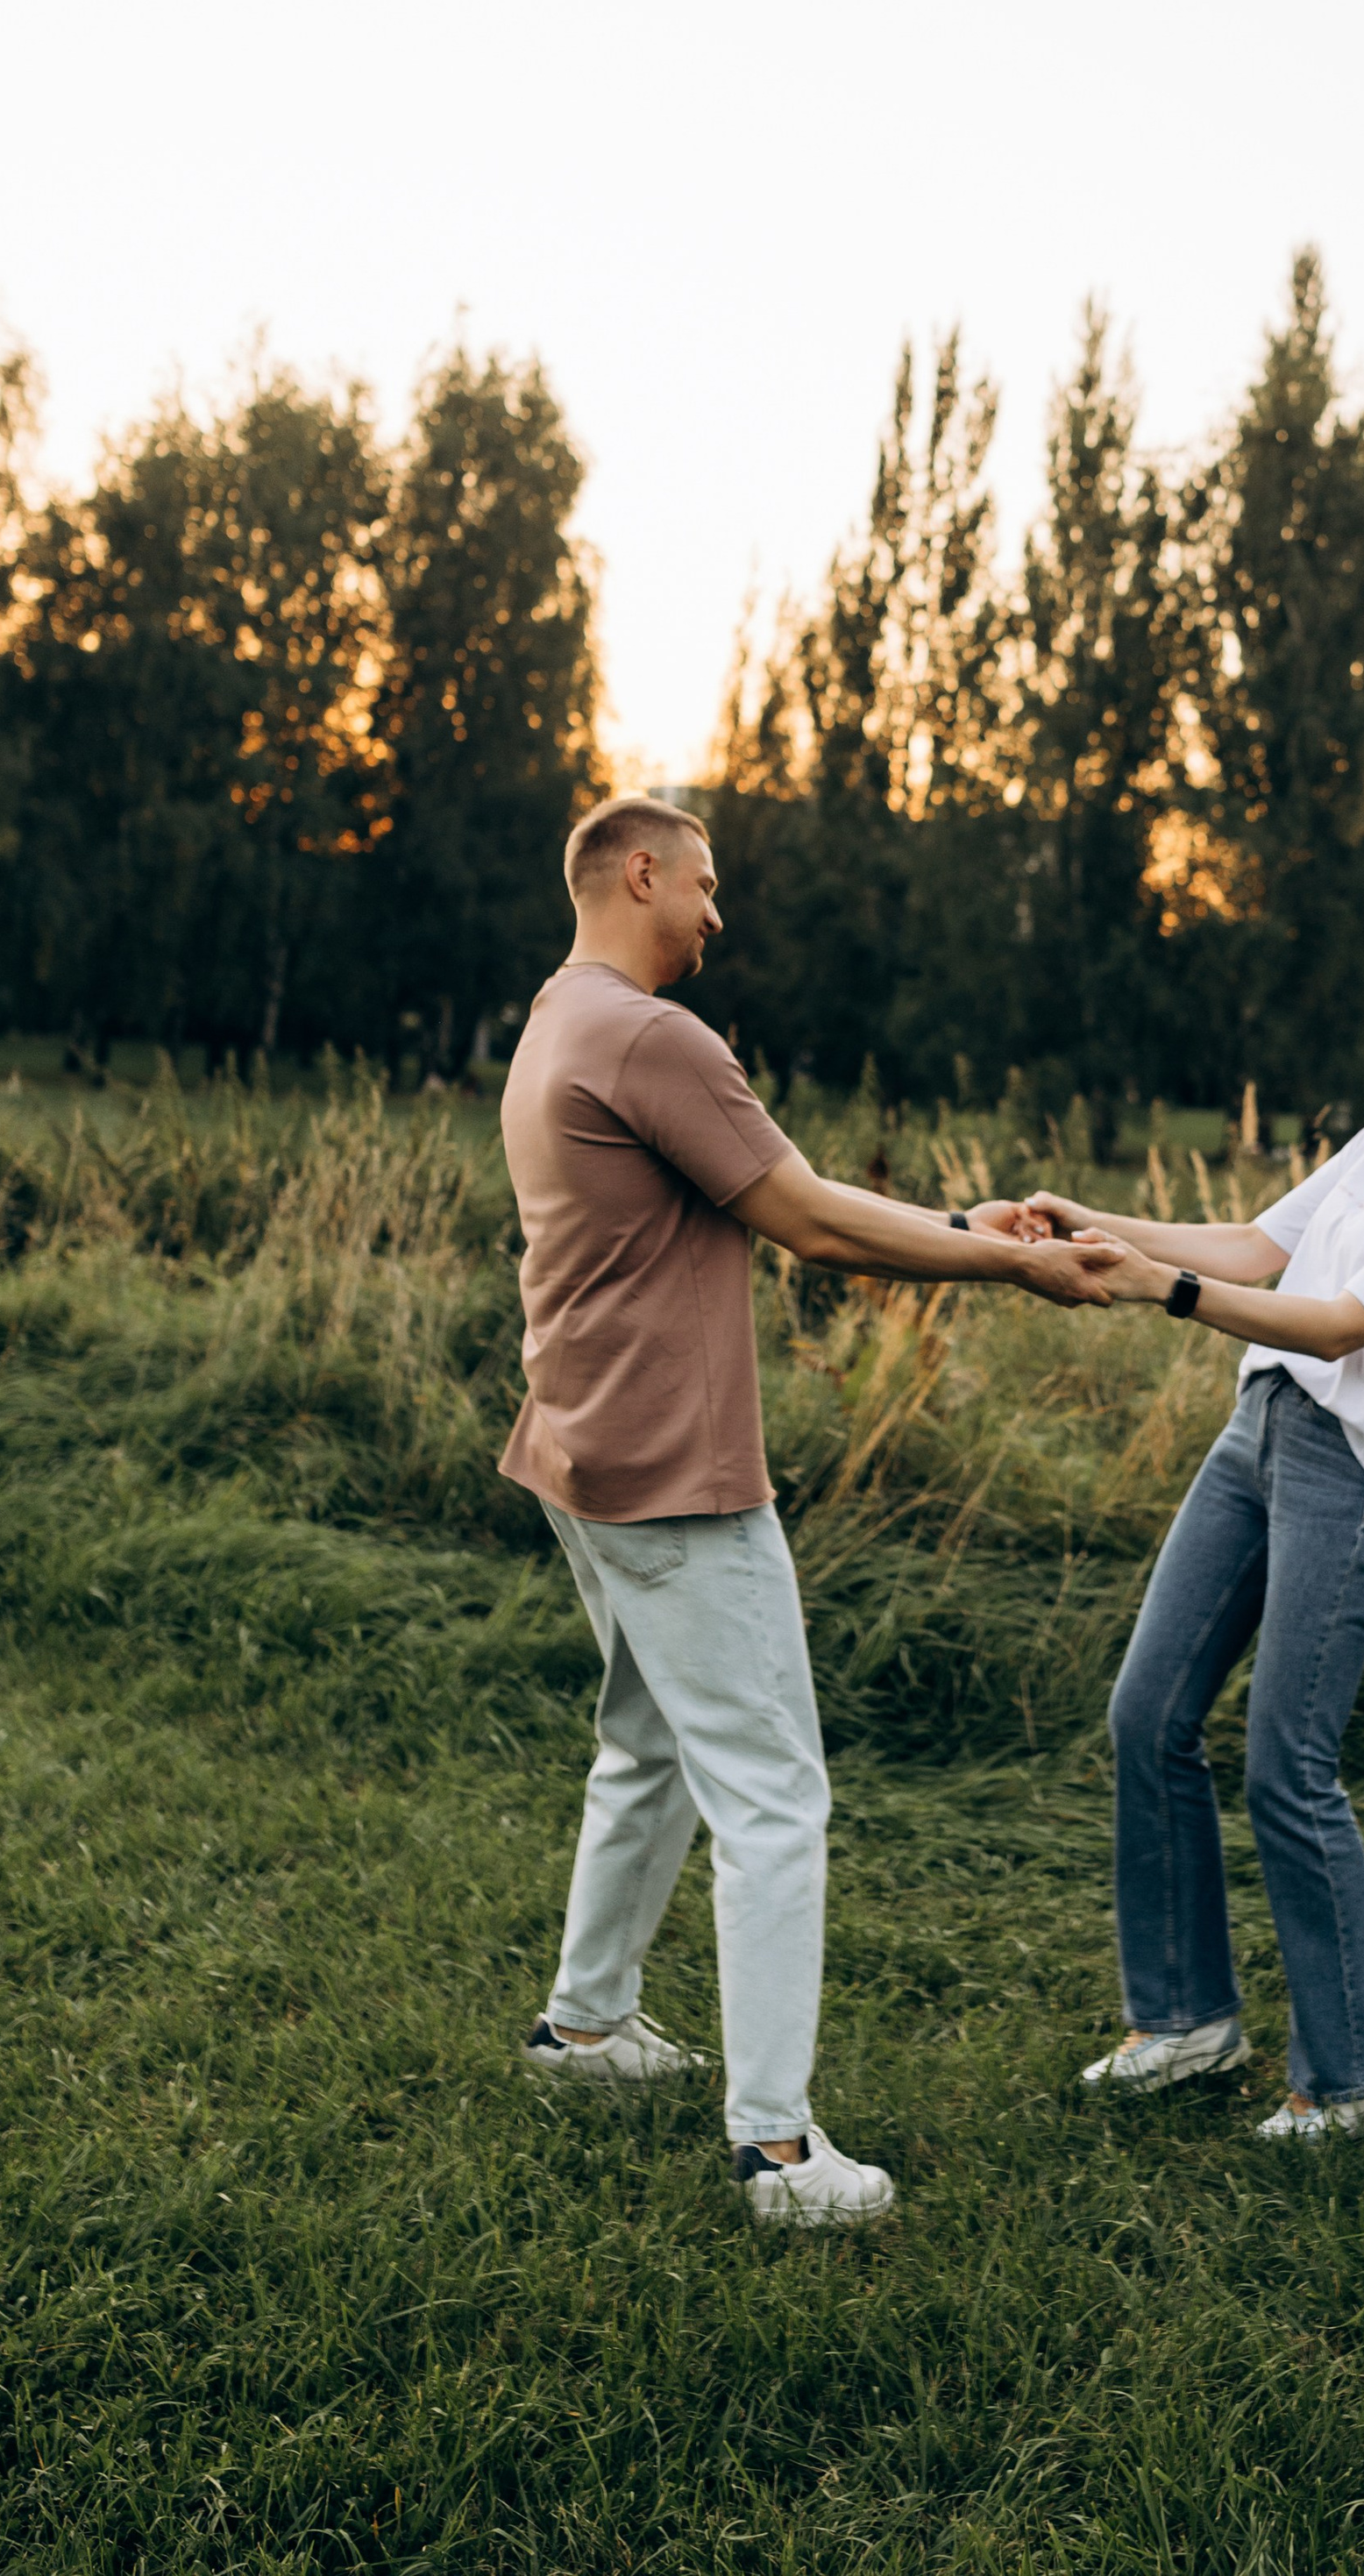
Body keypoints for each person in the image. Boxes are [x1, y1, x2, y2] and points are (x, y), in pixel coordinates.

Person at [499, 791, 1110, 2226]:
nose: (718, 915)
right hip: (674, 1475)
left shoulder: (558, 1019)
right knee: (775, 1797)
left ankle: (585, 2030)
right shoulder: (657, 1036)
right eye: (704, 886)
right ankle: (777, 2154)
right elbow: (814, 1220)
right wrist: (1012, 1266)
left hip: (582, 1453)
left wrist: (969, 1228)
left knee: (646, 1745)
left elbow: (785, 1197)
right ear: (637, 873)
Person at [1001, 955, 1364, 2141]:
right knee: (1147, 1714)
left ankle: (1356, 2083)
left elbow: (1342, 1325)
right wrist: (1098, 1226)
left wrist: (1162, 1294)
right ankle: (1183, 2023)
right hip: (1255, 1433)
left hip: (1352, 1471)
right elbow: (1260, 1247)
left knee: (1288, 1764)